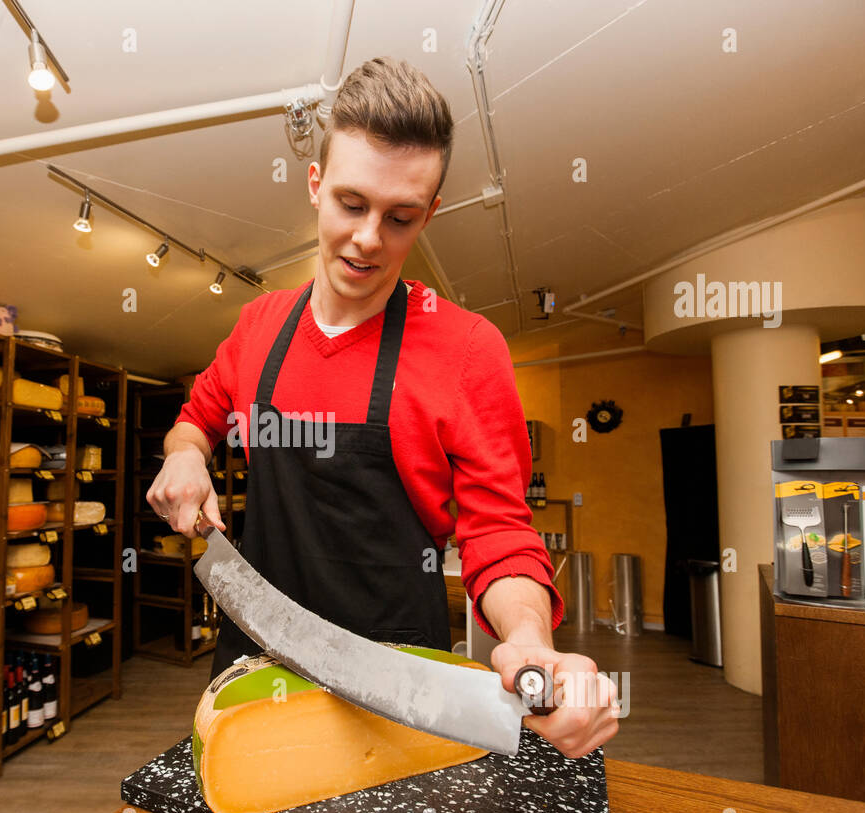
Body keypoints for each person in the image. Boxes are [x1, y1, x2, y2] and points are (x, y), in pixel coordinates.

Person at [148, 58, 618, 760]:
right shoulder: (258, 327)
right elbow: (199, 416)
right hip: (256, 666)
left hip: (400, 683)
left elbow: (498, 532)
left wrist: (528, 644)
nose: (369, 238)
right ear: (314, 186)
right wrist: (185, 455)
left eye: (399, 218)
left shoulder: (466, 348)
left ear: (428, 214)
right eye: (351, 203)